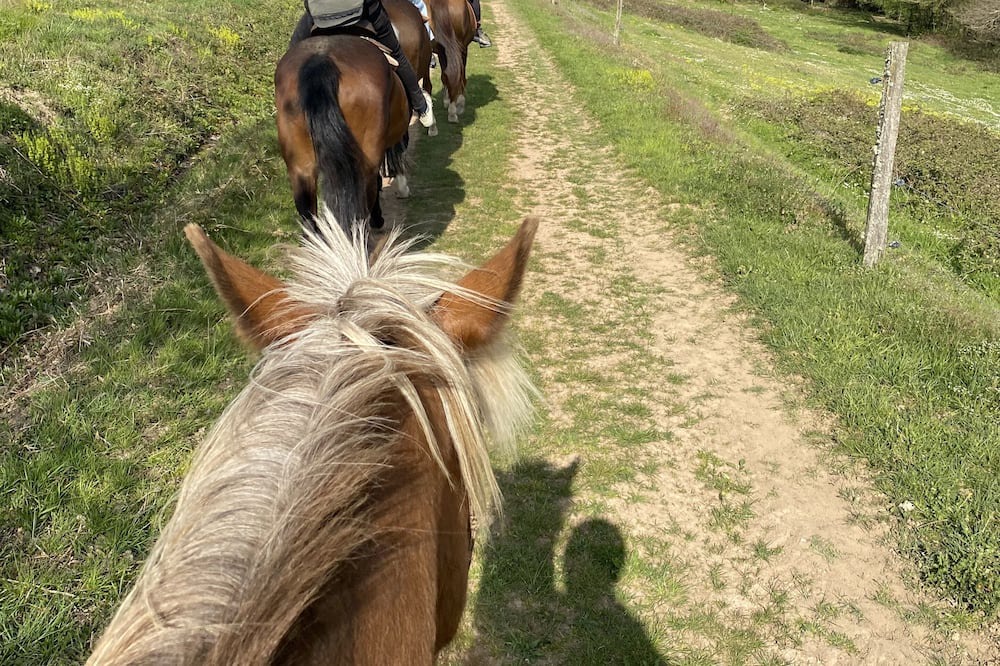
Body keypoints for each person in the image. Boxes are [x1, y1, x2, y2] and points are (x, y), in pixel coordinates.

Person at [296, 0, 435, 128]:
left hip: (321, 12)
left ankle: (293, 107)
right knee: (397, 53)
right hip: (360, 8)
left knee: (294, 54)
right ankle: (420, 105)